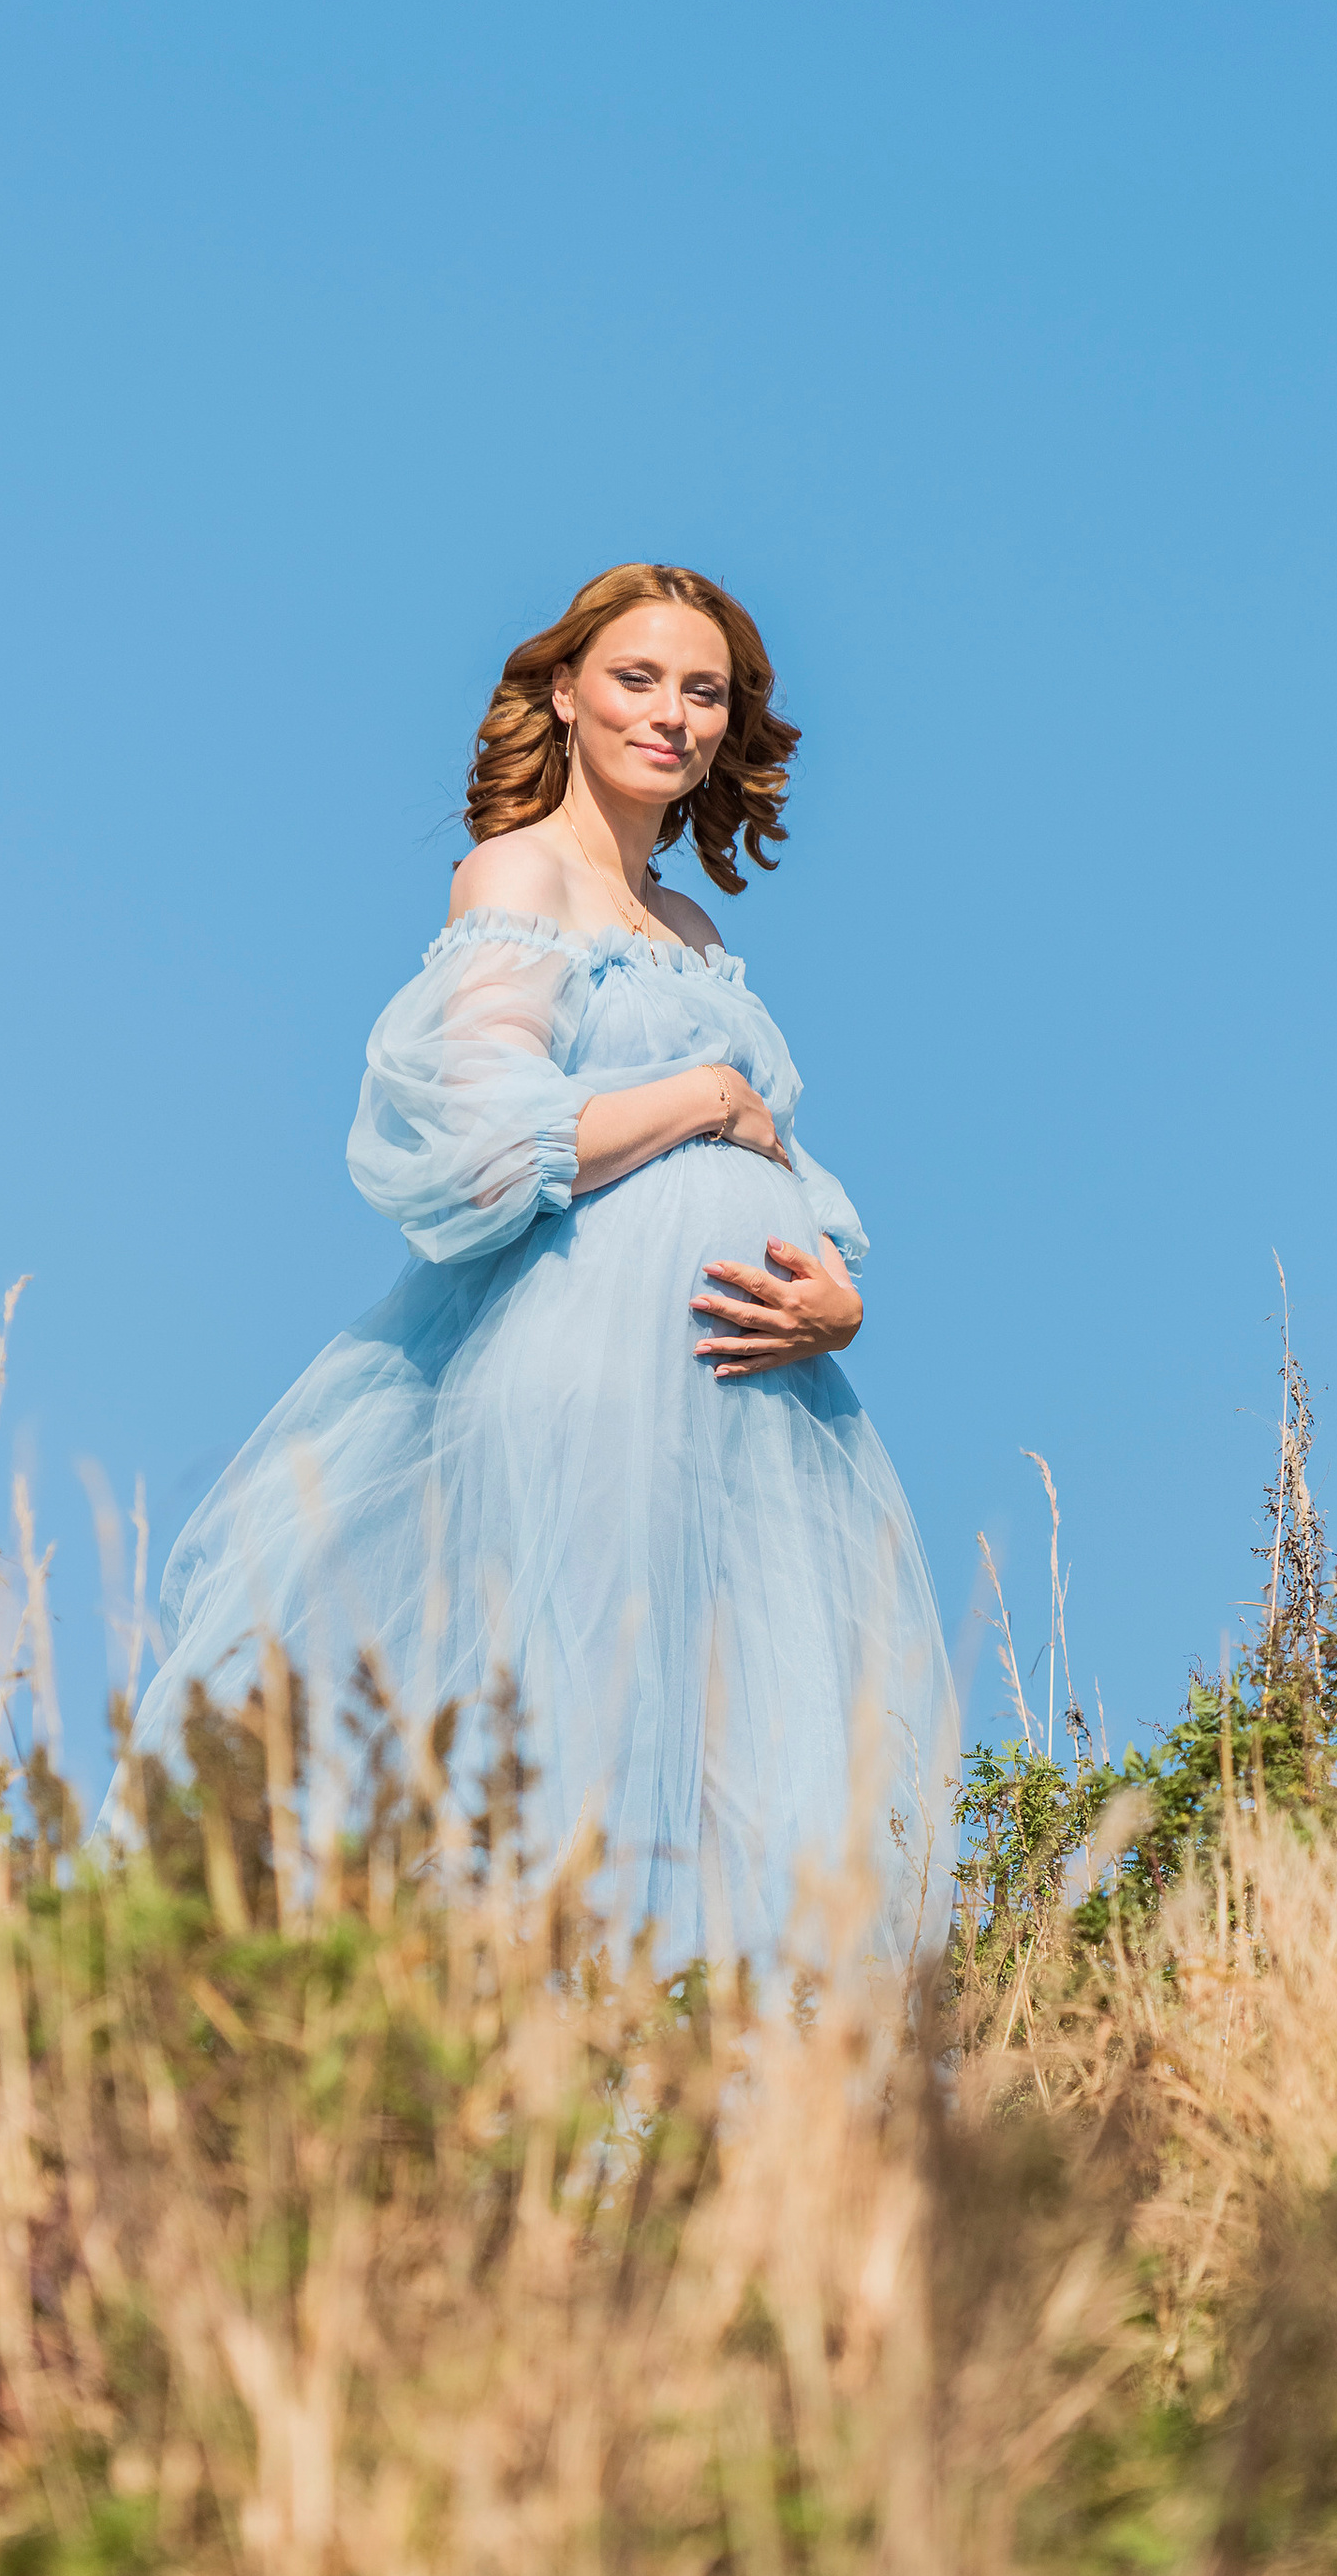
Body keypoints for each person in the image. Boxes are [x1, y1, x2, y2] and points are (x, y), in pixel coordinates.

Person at [128, 561, 954, 1966]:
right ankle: (549, 2076)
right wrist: (700, 1099)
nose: (675, 717)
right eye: (639, 679)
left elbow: (782, 1177)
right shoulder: (517, 878)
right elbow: (481, 1144)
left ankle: (729, 2100)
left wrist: (840, 1302)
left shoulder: (696, 938)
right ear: (564, 693)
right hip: (589, 1365)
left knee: (745, 1741)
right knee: (586, 1713)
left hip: (752, 1402)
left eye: (705, 692)